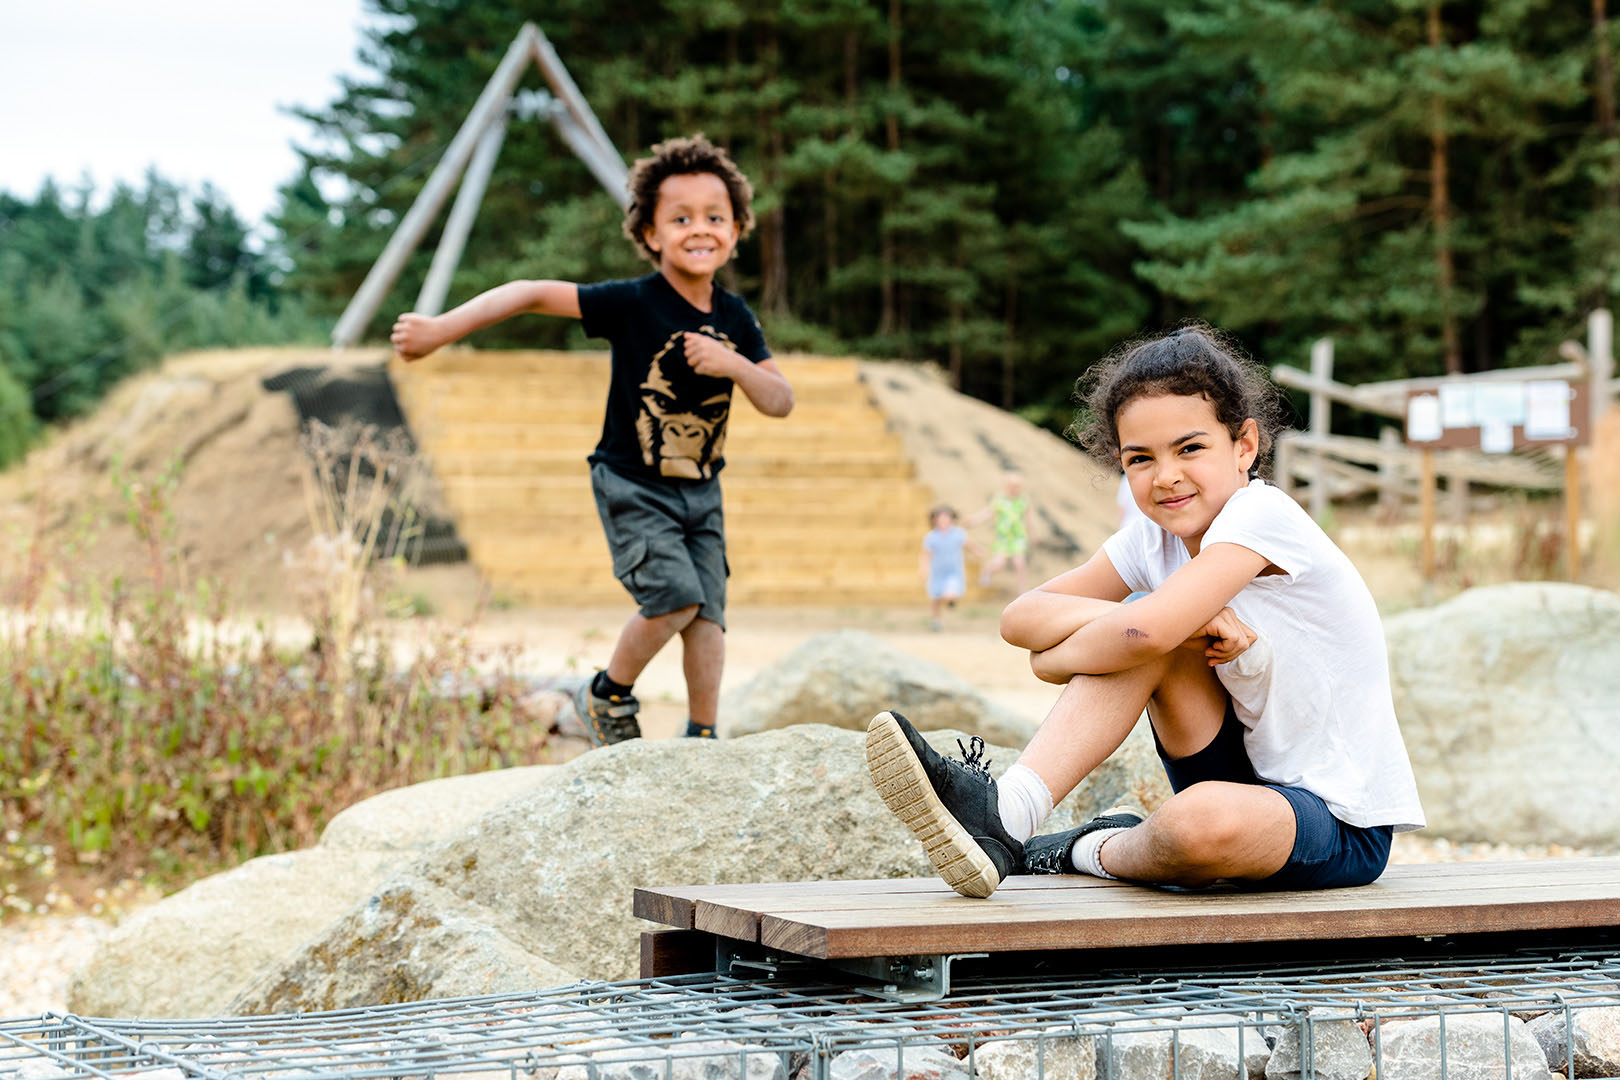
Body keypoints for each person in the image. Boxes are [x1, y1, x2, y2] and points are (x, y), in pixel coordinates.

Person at [866, 324, 1423, 898]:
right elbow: (1021, 619)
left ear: (1245, 446)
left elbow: (1128, 632)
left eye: (1190, 448)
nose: (1166, 476)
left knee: (1195, 819)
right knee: (1152, 631)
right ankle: (1007, 815)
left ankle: (1087, 848)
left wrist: (1093, 643)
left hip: (1337, 821)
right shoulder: (1148, 540)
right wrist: (1141, 629)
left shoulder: (1262, 516)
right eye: (1140, 458)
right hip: (1229, 771)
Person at [390, 134, 794, 746]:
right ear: (651, 234)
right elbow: (529, 293)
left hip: (702, 491)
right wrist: (440, 330)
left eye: (715, 217)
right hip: (634, 483)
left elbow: (779, 400)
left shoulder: (735, 318)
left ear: (737, 229)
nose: (700, 229)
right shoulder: (631, 303)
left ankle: (703, 734)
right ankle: (602, 696)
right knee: (675, 599)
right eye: (680, 218)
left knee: (708, 614)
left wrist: (732, 363)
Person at [969, 472, 1036, 594]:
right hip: (1003, 538)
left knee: (1019, 563)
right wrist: (974, 521)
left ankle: (1023, 590)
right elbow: (987, 513)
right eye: (1011, 486)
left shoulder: (1023, 500)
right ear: (1005, 487)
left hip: (1018, 537)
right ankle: (987, 571)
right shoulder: (999, 500)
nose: (1014, 489)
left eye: (1017, 486)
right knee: (999, 563)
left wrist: (1033, 533)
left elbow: (1028, 518)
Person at [920, 505, 983, 631]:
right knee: (935, 599)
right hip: (937, 572)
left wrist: (978, 551)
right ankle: (936, 621)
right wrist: (923, 568)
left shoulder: (958, 534)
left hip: (953, 571)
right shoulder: (931, 537)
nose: (943, 522)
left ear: (952, 520)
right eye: (940, 519)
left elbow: (968, 544)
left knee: (950, 591)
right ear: (934, 521)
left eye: (946, 518)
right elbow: (925, 554)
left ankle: (950, 600)